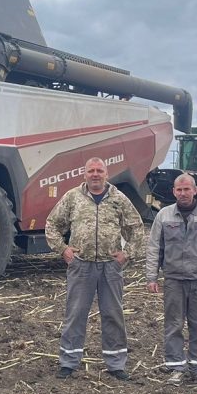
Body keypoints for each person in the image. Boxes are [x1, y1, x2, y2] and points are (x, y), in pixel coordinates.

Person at [45, 157, 145, 381]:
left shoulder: (119, 199)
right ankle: (68, 361)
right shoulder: (72, 198)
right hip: (81, 266)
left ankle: (116, 363)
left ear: (107, 174)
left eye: (100, 170)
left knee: (113, 314)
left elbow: (136, 228)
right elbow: (52, 224)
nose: (95, 174)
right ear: (84, 174)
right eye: (91, 171)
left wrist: (126, 254)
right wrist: (63, 249)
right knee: (75, 314)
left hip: (110, 267)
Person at [145, 173, 197, 385]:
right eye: (179, 190)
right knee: (173, 324)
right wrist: (151, 277)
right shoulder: (163, 216)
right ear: (173, 192)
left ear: (195, 190)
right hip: (173, 280)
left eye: (186, 189)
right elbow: (155, 248)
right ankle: (176, 368)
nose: (183, 193)